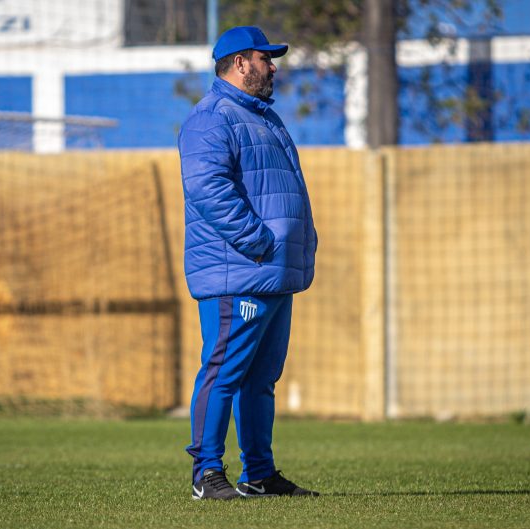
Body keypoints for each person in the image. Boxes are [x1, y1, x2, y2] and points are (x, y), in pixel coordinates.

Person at [177, 26, 318, 500]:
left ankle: (259, 474)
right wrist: (258, 242)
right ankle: (206, 474)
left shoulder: (263, 118)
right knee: (223, 372)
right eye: (265, 58)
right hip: (237, 273)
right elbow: (208, 190)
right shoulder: (211, 118)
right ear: (240, 63)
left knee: (261, 380)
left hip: (271, 275)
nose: (273, 66)